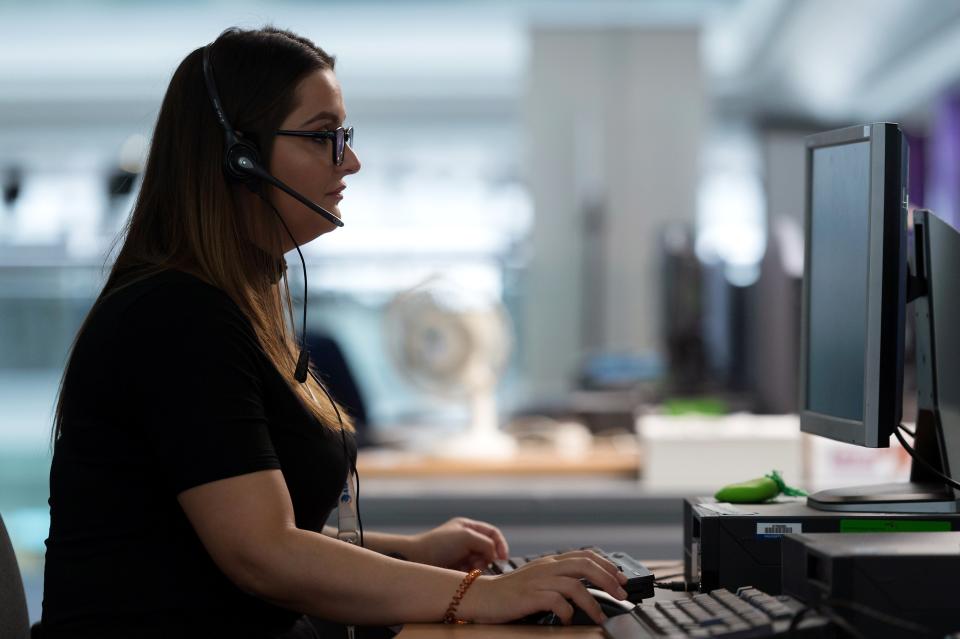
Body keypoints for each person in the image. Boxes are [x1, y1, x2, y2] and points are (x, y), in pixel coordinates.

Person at [39, 26, 629, 639]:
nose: (350, 160)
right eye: (324, 137)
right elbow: (260, 554)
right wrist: (482, 595)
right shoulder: (175, 317)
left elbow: (245, 522)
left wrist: (412, 552)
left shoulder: (234, 303)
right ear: (238, 157)